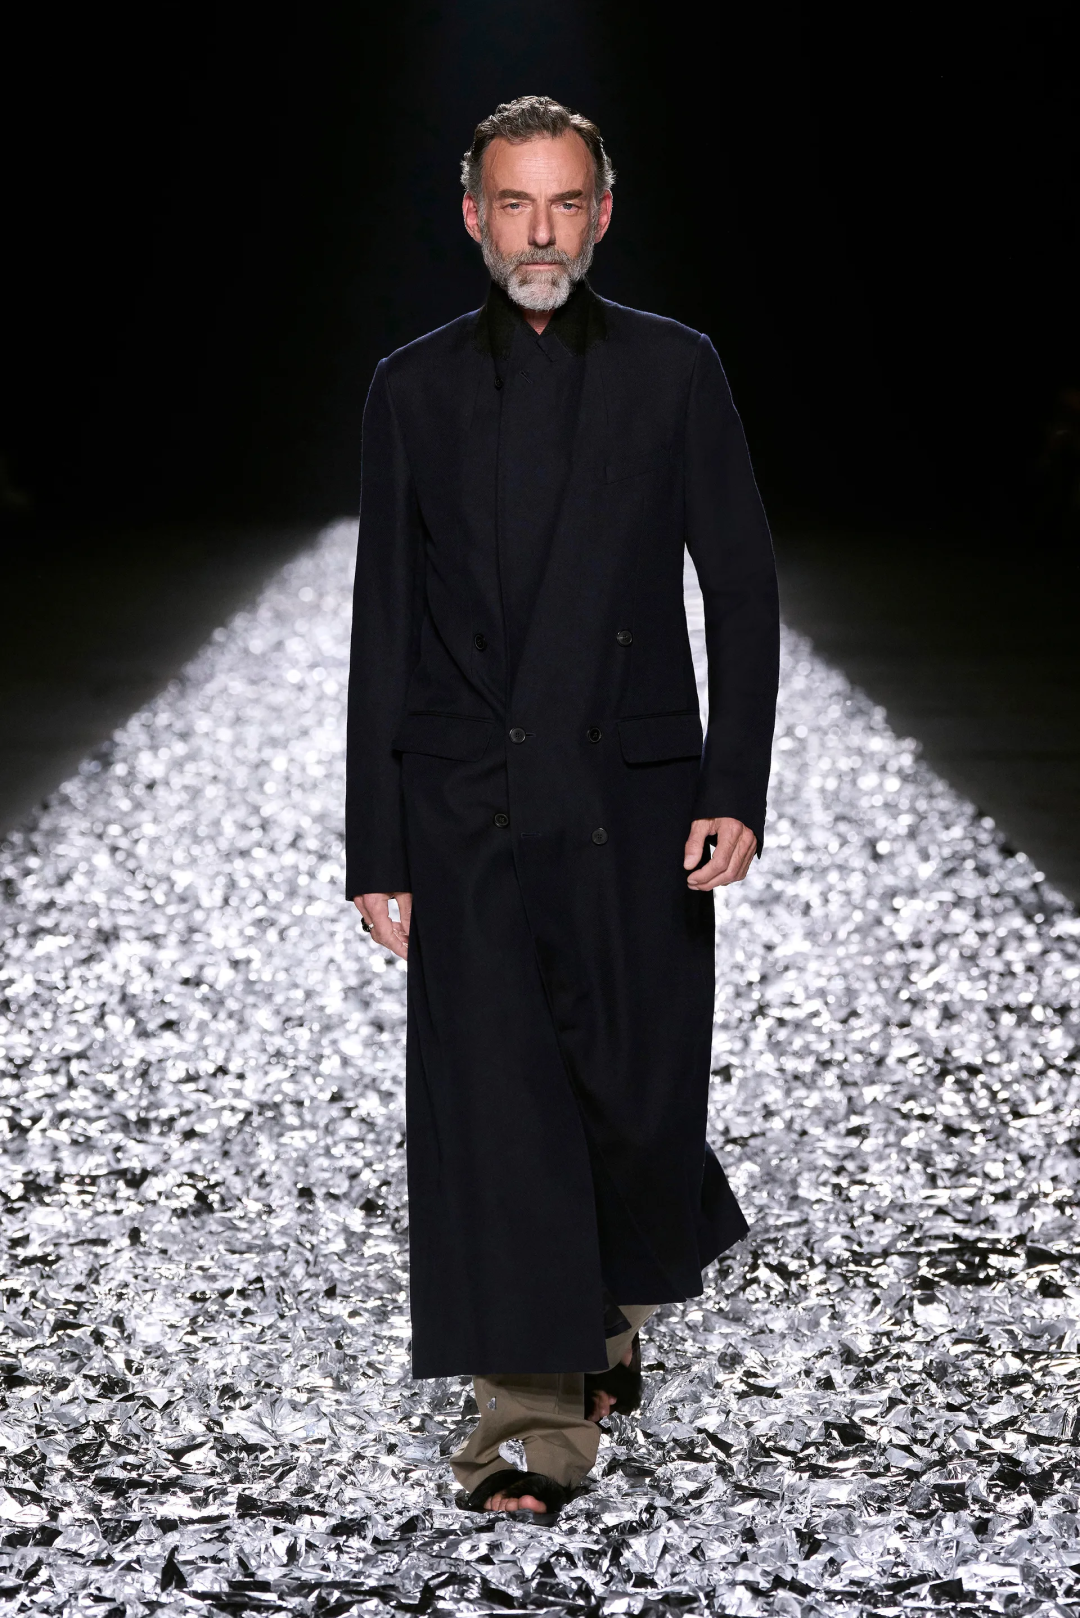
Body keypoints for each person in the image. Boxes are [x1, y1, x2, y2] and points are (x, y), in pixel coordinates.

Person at [346, 95, 779, 1521]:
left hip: (633, 800)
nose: (541, 233)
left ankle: (607, 1301)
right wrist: (376, 842)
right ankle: (529, 1422)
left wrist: (734, 784)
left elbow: (743, 586)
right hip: (467, 800)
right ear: (474, 217)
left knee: (639, 1099)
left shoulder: (674, 369)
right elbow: (385, 623)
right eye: (515, 205)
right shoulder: (410, 388)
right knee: (502, 1112)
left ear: (603, 214)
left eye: (566, 203)